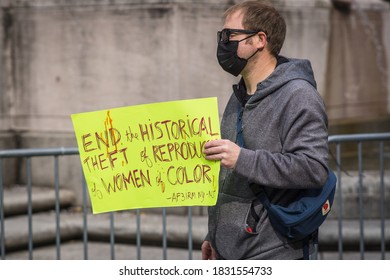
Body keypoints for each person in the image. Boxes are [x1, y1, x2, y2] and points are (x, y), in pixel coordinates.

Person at [201, 0, 329, 260]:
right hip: (229, 251)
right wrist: (213, 235)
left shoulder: (299, 96)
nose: (223, 42)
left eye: (230, 35)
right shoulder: (238, 96)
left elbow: (314, 168)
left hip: (276, 253)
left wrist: (242, 158)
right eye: (221, 35)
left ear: (260, 40)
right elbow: (228, 179)